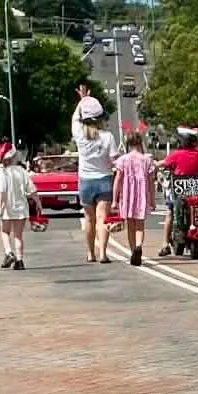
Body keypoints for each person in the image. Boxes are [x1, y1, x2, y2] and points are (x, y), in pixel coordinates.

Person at [72, 87, 119, 264]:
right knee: (102, 219)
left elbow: (75, 118)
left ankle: (90, 253)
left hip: (85, 181)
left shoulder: (79, 135)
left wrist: (82, 101)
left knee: (88, 219)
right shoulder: (107, 137)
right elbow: (115, 160)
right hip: (104, 180)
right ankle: (103, 253)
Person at [157, 127, 198, 257]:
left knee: (170, 212)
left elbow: (163, 164)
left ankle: (164, 243)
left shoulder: (176, 154)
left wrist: (154, 164)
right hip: (197, 190)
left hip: (179, 191)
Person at [0, 143, 41, 271]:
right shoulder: (22, 171)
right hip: (21, 207)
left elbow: (0, 192)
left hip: (6, 208)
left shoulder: (2, 173)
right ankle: (19, 260)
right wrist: (38, 202)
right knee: (18, 235)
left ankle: (9, 253)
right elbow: (31, 190)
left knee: (5, 232)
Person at [112, 131, 155, 266]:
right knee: (140, 225)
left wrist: (115, 200)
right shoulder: (146, 160)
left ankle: (133, 251)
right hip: (142, 195)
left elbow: (118, 180)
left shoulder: (122, 160)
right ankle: (138, 246)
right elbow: (151, 182)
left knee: (130, 225)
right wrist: (152, 200)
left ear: (128, 144)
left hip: (127, 195)